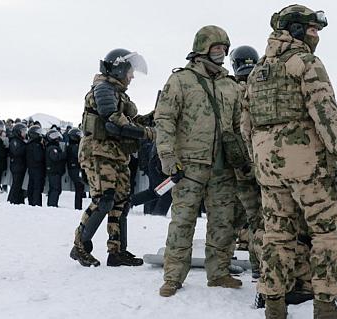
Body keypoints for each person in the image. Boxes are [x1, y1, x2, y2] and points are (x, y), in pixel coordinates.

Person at [245, 5, 337, 318]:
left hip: (269, 169)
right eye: (312, 30)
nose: (316, 36)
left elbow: (245, 123)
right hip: (307, 166)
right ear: (295, 30)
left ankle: (274, 305)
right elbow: (325, 113)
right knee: (327, 233)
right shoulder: (306, 63)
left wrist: (259, 160)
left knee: (276, 235)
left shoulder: (258, 71)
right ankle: (325, 306)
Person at [155, 25, 247, 297]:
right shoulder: (181, 81)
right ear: (202, 48)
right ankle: (173, 277)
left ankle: (218, 273)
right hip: (189, 166)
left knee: (223, 223)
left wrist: (244, 159)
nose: (221, 53)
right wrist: (167, 155)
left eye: (224, 49)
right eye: (216, 47)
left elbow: (240, 125)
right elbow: (164, 119)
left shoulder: (231, 86)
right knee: (182, 222)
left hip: (223, 168)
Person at [70, 48, 153, 268]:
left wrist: (153, 117)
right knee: (104, 199)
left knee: (121, 201)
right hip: (98, 152)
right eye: (130, 71)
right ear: (118, 69)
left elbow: (129, 121)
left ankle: (117, 251)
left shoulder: (118, 93)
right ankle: (79, 246)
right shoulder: (103, 89)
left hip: (116, 154)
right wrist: (146, 133)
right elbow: (113, 120)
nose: (132, 76)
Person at [229, 44, 265, 280]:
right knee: (260, 219)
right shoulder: (262, 87)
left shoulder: (228, 90)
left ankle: (223, 261)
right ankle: (259, 266)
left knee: (237, 218)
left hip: (238, 166)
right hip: (261, 163)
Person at [25, 125, 46, 206]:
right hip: (37, 168)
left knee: (32, 185)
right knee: (37, 186)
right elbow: (38, 157)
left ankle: (32, 201)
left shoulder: (29, 143)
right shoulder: (36, 145)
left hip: (32, 168)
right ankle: (36, 202)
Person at [7, 123, 28, 204]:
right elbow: (16, 152)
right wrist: (25, 146)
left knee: (20, 184)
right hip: (16, 166)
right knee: (16, 184)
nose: (24, 133)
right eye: (23, 131)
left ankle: (19, 200)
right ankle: (12, 200)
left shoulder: (21, 140)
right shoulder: (14, 141)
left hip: (21, 165)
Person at [45, 129, 66, 207]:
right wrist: (64, 154)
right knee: (55, 188)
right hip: (54, 171)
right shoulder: (52, 148)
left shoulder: (54, 146)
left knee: (55, 188)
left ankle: (52, 203)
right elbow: (55, 157)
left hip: (55, 170)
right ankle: (52, 204)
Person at [65, 128, 85, 210]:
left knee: (80, 187)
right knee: (79, 187)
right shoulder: (75, 147)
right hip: (75, 169)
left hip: (74, 168)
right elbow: (79, 156)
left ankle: (78, 206)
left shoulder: (71, 146)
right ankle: (78, 207)